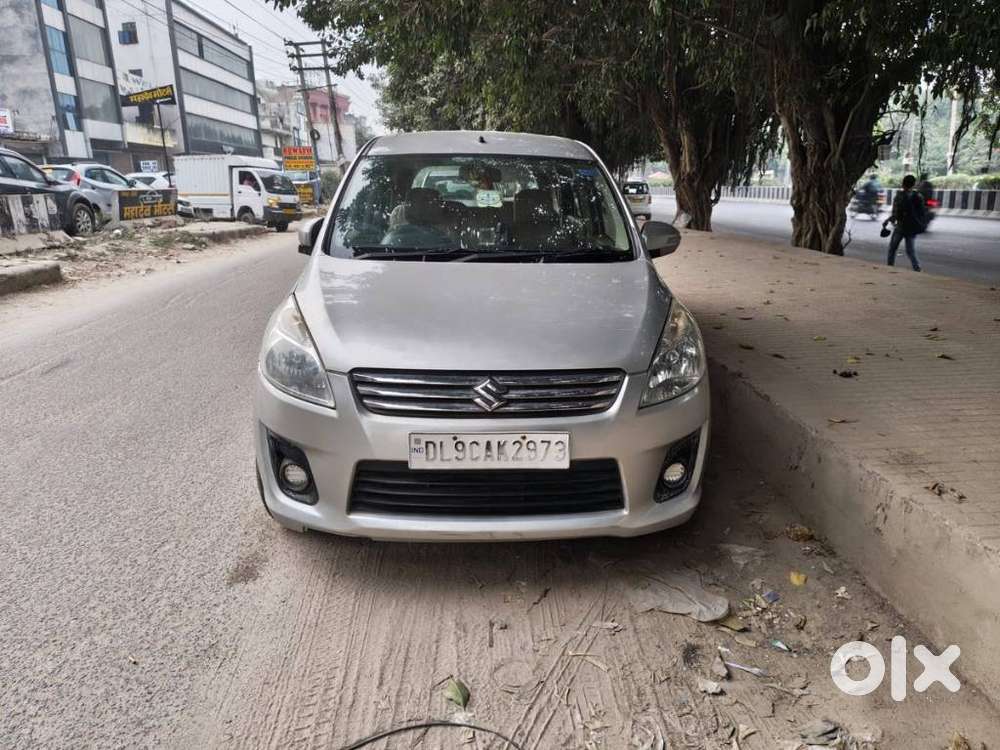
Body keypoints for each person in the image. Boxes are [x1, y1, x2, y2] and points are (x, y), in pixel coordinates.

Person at [883, 174, 925, 271]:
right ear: (914, 184)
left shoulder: (899, 196)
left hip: (901, 226)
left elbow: (895, 213)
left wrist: (889, 221)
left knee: (892, 248)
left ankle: (889, 267)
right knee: (910, 250)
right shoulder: (918, 196)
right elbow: (922, 213)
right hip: (912, 227)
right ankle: (917, 268)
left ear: (903, 184)